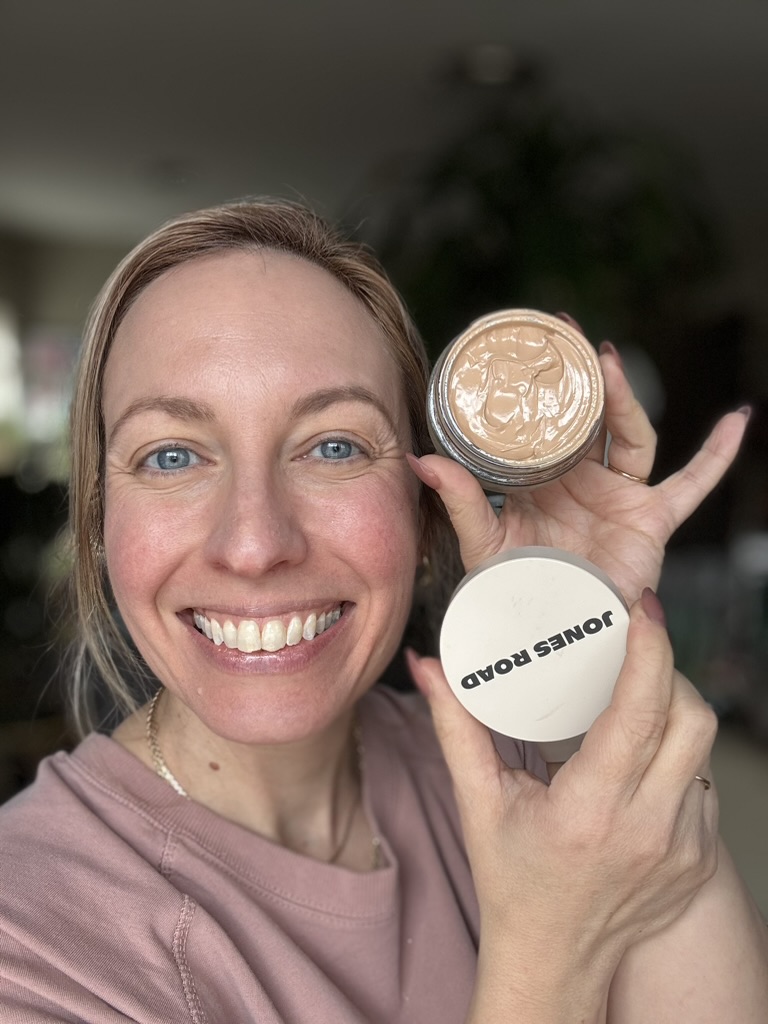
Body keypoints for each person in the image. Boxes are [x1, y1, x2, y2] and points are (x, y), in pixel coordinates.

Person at [0, 199, 766, 1024]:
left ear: (425, 504)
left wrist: (582, 631)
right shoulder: (32, 939)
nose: (255, 543)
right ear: (101, 522)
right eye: (173, 455)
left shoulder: (522, 768)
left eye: (334, 446)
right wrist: (551, 949)